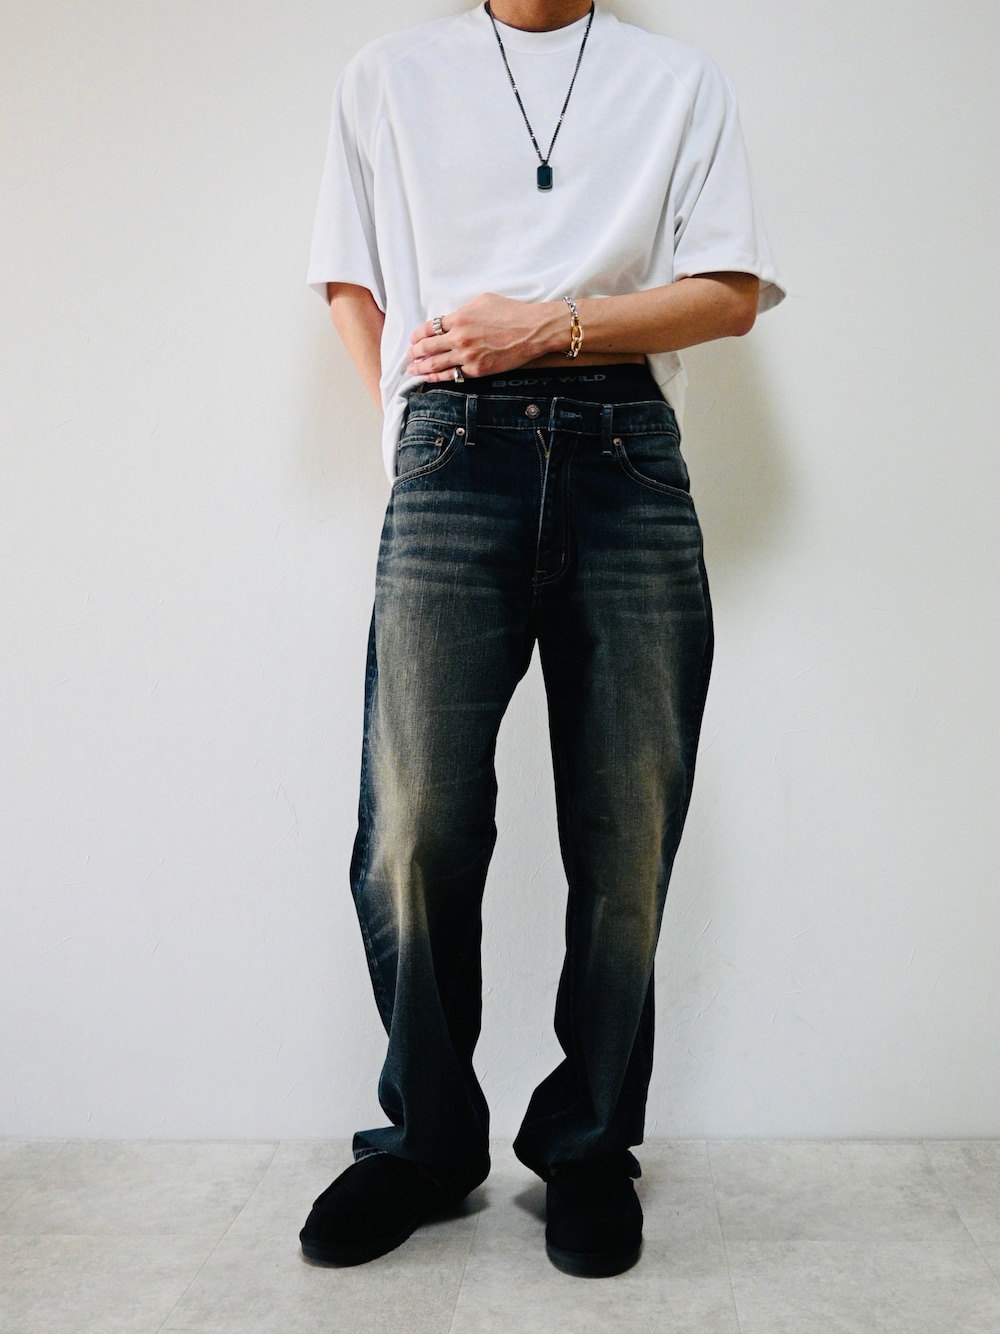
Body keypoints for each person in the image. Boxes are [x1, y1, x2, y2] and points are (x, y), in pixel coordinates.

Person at [301, 0, 784, 1277]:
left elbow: (730, 292)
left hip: (628, 456)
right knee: (413, 823)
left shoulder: (676, 81)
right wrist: (413, 425)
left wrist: (551, 323)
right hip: (451, 447)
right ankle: (425, 1140)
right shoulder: (388, 75)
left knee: (628, 827)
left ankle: (586, 1142)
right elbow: (349, 278)